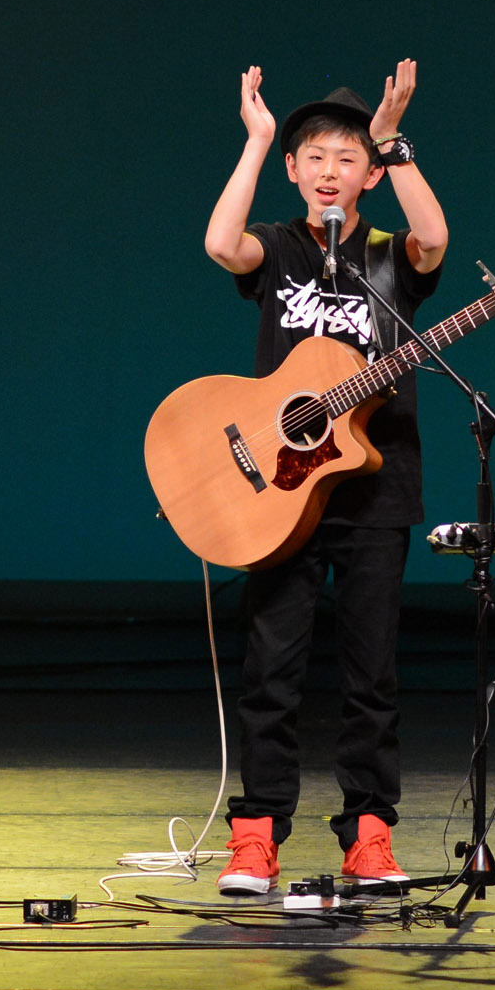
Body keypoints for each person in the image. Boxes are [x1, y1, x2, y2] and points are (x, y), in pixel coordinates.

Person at [203, 59, 448, 894]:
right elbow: (220, 244)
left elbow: (435, 239)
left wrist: (394, 140)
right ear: (295, 170)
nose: (331, 170)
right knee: (271, 668)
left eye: (348, 158)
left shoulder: (388, 256)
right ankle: (256, 836)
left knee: (371, 674)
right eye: (314, 157)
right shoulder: (276, 248)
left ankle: (369, 835)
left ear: (370, 175)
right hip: (278, 486)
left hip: (377, 484)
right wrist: (257, 139)